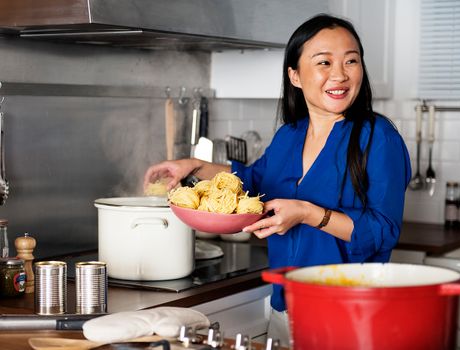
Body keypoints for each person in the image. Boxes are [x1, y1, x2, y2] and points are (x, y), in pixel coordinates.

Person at [144, 13, 411, 346]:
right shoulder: (289, 135)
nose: (340, 74)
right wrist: (194, 167)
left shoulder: (378, 138)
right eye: (324, 62)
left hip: (350, 312)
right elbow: (254, 180)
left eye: (351, 61)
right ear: (295, 76)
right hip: (286, 306)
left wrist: (308, 214)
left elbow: (383, 231)